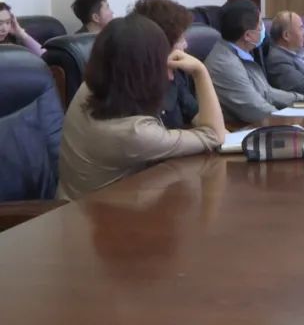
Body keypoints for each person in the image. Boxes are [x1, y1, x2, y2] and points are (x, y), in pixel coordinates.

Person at [57, 14, 226, 200]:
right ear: (145, 72)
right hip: (95, 214)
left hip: (97, 202)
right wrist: (200, 72)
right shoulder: (135, 133)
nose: (169, 72)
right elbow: (214, 135)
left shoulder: (90, 88)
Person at [203, 0, 304, 124]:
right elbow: (256, 109)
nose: (264, 29)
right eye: (260, 24)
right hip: (238, 128)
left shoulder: (242, 53)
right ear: (248, 36)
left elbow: (267, 92)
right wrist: (294, 122)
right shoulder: (224, 64)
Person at [132, 0, 199, 130]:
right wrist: (200, 71)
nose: (185, 45)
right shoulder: (133, 83)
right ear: (160, 43)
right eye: (180, 39)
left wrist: (201, 74)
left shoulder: (175, 72)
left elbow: (199, 116)